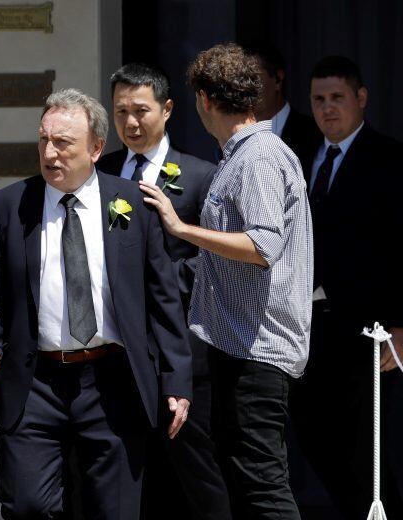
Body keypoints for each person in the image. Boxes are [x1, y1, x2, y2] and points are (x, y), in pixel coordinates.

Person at [0, 88, 192, 519]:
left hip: (113, 379)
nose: (50, 153)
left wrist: (176, 379)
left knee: (115, 509)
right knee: (27, 505)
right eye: (43, 140)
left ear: (95, 148)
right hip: (35, 381)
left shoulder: (133, 205)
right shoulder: (7, 207)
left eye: (63, 143)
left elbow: (163, 298)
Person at [140, 43, 311, 519]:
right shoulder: (247, 153)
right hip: (241, 348)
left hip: (257, 350)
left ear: (204, 99)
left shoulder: (256, 156)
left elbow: (262, 245)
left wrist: (182, 228)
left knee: (262, 487)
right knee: (242, 482)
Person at [291, 55, 403, 520]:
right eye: (318, 99)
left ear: (360, 98)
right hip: (307, 326)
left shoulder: (393, 159)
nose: (328, 109)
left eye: (337, 97)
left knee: (363, 450)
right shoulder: (299, 154)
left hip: (368, 329)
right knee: (311, 434)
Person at [96, 62, 230, 520]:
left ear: (167, 109)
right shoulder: (102, 172)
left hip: (182, 348)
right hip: (116, 351)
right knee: (127, 471)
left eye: (141, 111)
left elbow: (211, 258)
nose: (131, 124)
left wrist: (145, 287)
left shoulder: (200, 175)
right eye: (120, 113)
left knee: (197, 472)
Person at [244, 41, 321, 165]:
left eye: (252, 78)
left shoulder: (315, 134)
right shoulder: (236, 137)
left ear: (278, 79)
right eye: (240, 80)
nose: (244, 87)